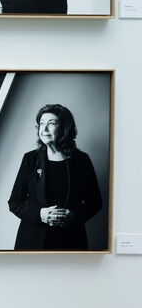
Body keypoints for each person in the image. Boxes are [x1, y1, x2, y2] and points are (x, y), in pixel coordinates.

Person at [8, 104, 102, 250]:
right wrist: (40, 214)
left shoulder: (81, 160)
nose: (44, 129)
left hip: (71, 240)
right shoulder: (30, 159)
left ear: (64, 128)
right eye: (41, 124)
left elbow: (95, 203)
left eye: (51, 123)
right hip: (32, 240)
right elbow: (14, 202)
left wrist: (73, 216)